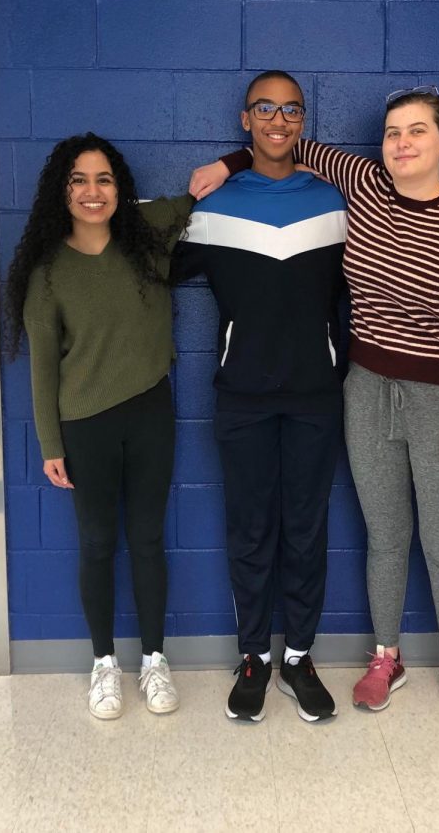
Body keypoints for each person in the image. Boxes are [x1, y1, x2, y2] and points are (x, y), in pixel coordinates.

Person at [191, 85, 439, 725]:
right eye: (393, 132)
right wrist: (227, 163)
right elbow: (281, 142)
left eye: (417, 132)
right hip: (363, 387)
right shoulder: (360, 186)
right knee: (384, 537)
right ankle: (384, 658)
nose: (402, 143)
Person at [4, 132, 244, 720]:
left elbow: (198, 190)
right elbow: (42, 366)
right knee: (96, 544)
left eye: (104, 179)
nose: (92, 192)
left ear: (120, 189)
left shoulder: (149, 236)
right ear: (61, 192)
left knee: (146, 540)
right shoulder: (47, 270)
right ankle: (104, 664)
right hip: (83, 423)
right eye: (79, 180)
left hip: (150, 415)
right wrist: (50, 443)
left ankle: (154, 661)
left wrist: (235, 158)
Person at [177, 71, 348, 723]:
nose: (279, 119)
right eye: (265, 109)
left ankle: (299, 657)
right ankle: (254, 657)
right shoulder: (214, 206)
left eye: (292, 110)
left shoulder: (334, 202)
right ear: (245, 119)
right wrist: (227, 166)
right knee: (251, 532)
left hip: (314, 398)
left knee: (305, 532)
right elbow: (149, 257)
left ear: (303, 121)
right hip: (242, 397)